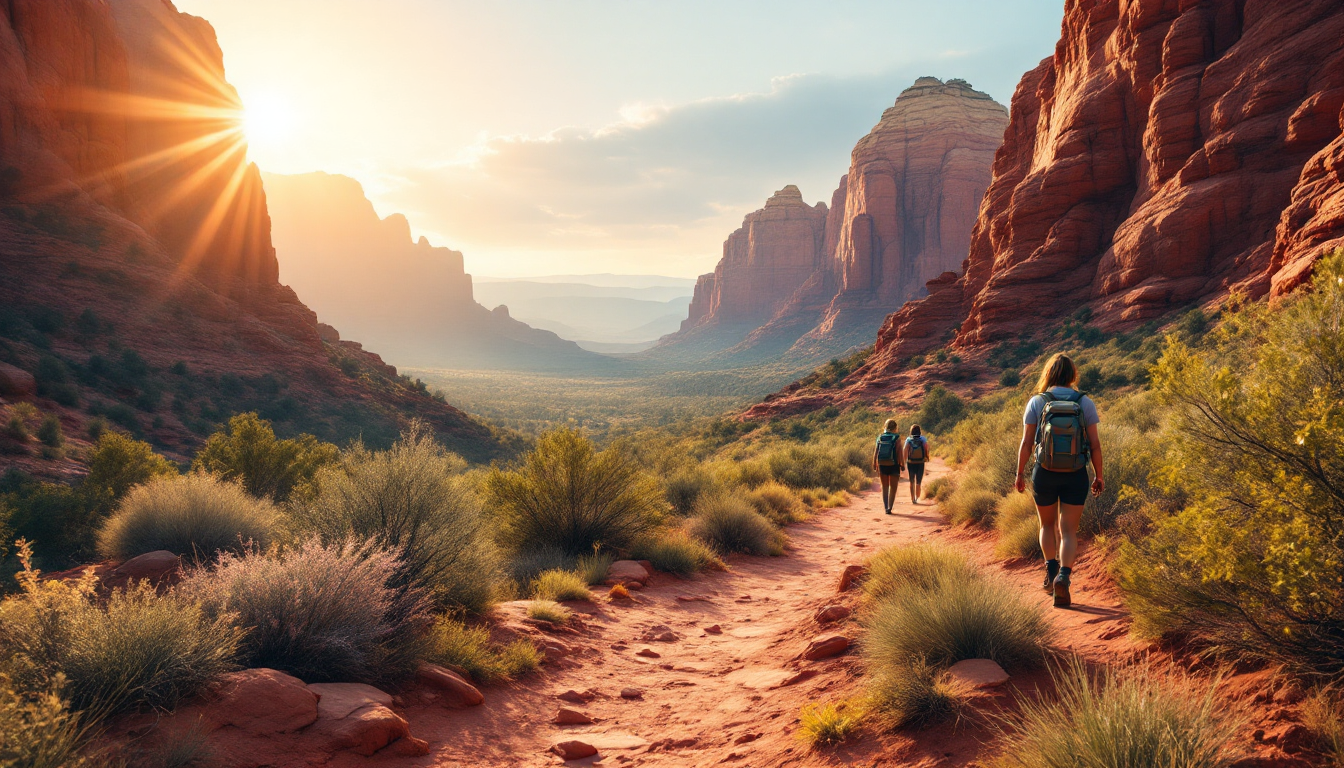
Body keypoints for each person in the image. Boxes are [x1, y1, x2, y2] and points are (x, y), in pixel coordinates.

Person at [1013, 353, 1104, 608]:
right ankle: (1064, 576)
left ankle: (1051, 571)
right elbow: (1095, 444)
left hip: (1044, 473)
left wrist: (1019, 473)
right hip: (1076, 474)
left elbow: (1027, 443)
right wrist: (1099, 475)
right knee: (1068, 531)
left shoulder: (1037, 401)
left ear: (1048, 373)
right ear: (1072, 374)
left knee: (1047, 525)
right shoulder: (1084, 402)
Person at [872, 418, 903, 514]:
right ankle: (890, 508)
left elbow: (876, 452)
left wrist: (874, 463)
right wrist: (902, 465)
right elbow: (899, 453)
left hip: (882, 464)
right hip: (894, 465)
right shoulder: (897, 437)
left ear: (885, 426)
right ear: (895, 427)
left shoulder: (880, 437)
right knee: (893, 488)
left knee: (885, 487)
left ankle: (886, 508)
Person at [903, 425, 929, 505]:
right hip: (920, 462)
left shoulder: (908, 439)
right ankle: (917, 497)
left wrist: (903, 461)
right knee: (918, 481)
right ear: (919, 431)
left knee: (911, 481)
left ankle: (912, 499)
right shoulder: (923, 439)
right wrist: (927, 457)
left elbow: (905, 450)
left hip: (911, 462)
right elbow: (926, 448)